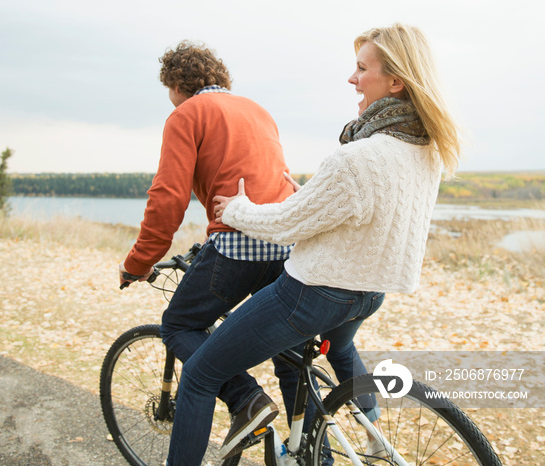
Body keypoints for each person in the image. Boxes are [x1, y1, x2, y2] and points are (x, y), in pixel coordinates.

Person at [165, 23, 462, 465]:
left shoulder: (358, 156)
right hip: (369, 293)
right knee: (335, 351)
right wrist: (312, 193)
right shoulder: (427, 151)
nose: (351, 78)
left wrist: (235, 210)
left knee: (202, 374)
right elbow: (366, 213)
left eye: (361, 68)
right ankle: (359, 435)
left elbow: (286, 225)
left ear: (395, 81)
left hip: (312, 295)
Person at [118, 40, 301, 458]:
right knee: (287, 350)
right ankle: (310, 449)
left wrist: (139, 262)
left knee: (179, 326)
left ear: (177, 84)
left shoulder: (186, 114)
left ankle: (246, 399)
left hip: (237, 245)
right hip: (284, 243)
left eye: (169, 90)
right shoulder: (258, 110)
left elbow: (168, 197)